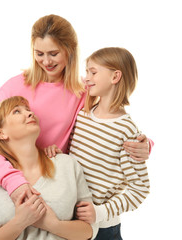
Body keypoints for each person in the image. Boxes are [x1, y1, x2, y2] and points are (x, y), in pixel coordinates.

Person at [0, 14, 151, 203]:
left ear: (69, 51)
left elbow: (108, 121)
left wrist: (143, 144)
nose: (46, 61)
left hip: (57, 189)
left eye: (53, 54)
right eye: (39, 53)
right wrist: (12, 180)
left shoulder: (84, 91)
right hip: (12, 188)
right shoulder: (13, 87)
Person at [0, 96, 98, 240]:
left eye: (28, 110)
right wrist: (19, 222)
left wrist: (52, 224)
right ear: (1, 133)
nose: (30, 113)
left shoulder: (67, 165)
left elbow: (90, 230)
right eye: (17, 112)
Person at [68, 47, 150, 240]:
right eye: (87, 71)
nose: (86, 78)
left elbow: (140, 188)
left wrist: (100, 212)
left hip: (103, 230)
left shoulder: (127, 131)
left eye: (93, 72)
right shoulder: (83, 115)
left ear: (115, 77)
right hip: (73, 224)